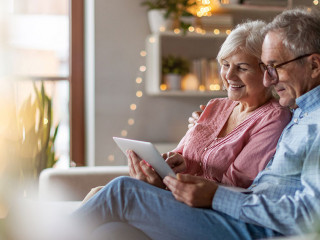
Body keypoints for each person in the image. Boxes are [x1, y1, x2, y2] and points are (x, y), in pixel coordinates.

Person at [73, 7, 320, 240]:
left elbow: (311, 215)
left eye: (274, 67)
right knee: (112, 231)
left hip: (249, 227)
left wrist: (216, 197)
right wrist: (167, 175)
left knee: (122, 191)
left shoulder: (304, 121)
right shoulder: (299, 114)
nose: (268, 80)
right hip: (239, 215)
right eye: (267, 68)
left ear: (314, 66)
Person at [128, 20, 291, 190]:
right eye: (225, 65)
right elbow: (181, 154)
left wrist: (168, 184)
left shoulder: (274, 118)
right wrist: (174, 164)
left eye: (242, 68)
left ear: (268, 72)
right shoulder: (216, 105)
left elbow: (235, 185)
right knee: (107, 190)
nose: (229, 75)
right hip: (175, 194)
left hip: (205, 208)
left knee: (117, 187)